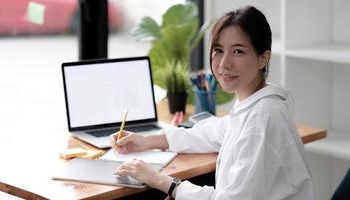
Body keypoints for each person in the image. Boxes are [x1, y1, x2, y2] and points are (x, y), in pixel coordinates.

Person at [111, 5, 314, 200]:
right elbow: (213, 132)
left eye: (238, 51)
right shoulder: (253, 104)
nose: (224, 64)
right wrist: (149, 141)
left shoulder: (262, 119)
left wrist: (159, 179)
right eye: (218, 50)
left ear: (263, 59)